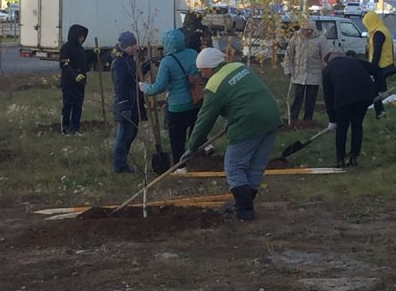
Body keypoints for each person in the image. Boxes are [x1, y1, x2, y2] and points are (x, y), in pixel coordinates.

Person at [181, 48, 281, 220]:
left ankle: (244, 210)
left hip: (248, 122)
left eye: (202, 70)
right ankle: (245, 205)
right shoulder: (239, 67)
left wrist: (192, 146)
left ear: (210, 67)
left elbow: (205, 119)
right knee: (256, 164)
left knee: (234, 166)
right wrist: (231, 119)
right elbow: (245, 96)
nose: (201, 74)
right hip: (271, 117)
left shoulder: (214, 85)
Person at [139, 29, 201, 164]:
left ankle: (180, 166)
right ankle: (198, 161)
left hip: (177, 107)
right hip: (196, 102)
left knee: (177, 140)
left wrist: (145, 87)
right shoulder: (193, 54)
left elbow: (159, 87)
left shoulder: (167, 62)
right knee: (196, 136)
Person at [322, 51, 378, 168]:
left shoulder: (328, 69)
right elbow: (376, 69)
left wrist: (332, 120)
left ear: (328, 61)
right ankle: (353, 157)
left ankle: (340, 159)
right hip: (364, 97)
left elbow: (328, 97)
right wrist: (381, 89)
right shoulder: (355, 61)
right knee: (357, 125)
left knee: (342, 128)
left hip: (343, 98)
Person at [282, 19, 331, 125]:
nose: (308, 32)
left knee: (311, 98)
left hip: (314, 74)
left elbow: (326, 57)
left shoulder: (321, 39)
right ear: (302, 29)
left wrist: (326, 70)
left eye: (310, 30)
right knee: (298, 97)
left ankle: (307, 120)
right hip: (298, 73)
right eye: (306, 30)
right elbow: (289, 55)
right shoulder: (296, 38)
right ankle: (293, 118)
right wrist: (287, 69)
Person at [111, 31, 145, 173]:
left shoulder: (128, 59)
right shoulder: (119, 62)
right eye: (132, 45)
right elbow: (120, 85)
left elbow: (134, 75)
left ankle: (122, 162)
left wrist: (146, 65)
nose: (135, 47)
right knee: (124, 135)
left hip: (133, 102)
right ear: (125, 46)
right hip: (126, 104)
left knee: (131, 133)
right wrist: (124, 104)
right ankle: (120, 165)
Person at [362, 11, 395, 119]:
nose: (367, 27)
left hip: (381, 66)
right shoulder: (383, 30)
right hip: (385, 64)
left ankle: (380, 110)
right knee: (377, 89)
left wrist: (372, 69)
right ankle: (381, 110)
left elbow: (377, 52)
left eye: (367, 24)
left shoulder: (378, 33)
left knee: (374, 90)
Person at [59, 24, 89, 135]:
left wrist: (95, 55)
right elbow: (64, 65)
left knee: (78, 106)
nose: (82, 39)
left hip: (80, 83)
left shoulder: (81, 49)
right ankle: (65, 128)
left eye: (83, 37)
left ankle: (75, 128)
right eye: (80, 36)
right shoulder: (66, 48)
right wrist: (74, 75)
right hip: (69, 83)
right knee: (68, 105)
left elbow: (85, 63)